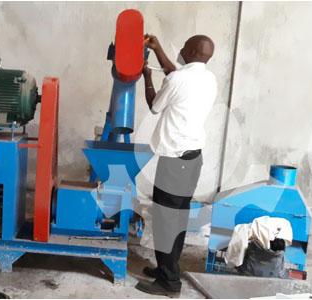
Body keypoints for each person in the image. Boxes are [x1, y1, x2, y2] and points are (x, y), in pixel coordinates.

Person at [135, 34, 217, 298]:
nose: (180, 49)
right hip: (193, 161)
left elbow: (154, 106)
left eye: (183, 46)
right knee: (177, 217)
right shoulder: (207, 78)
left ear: (192, 51)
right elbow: (175, 74)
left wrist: (146, 76)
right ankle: (166, 269)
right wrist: (157, 48)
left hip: (174, 163)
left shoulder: (178, 80)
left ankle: (169, 283)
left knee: (165, 221)